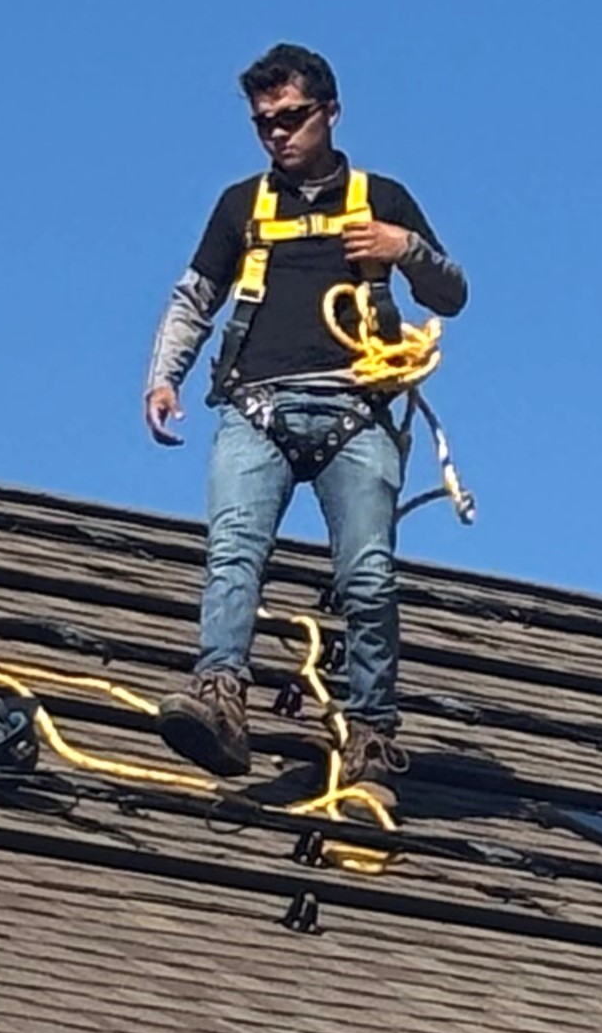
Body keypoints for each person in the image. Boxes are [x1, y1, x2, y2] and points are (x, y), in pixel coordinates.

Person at [141, 43, 469, 782]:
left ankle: (373, 730)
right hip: (257, 406)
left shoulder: (379, 197)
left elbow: (451, 293)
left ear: (330, 112)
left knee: (369, 574)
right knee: (234, 551)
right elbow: (194, 299)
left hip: (358, 407)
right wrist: (165, 378)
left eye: (292, 117)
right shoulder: (241, 206)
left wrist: (403, 247)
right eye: (265, 123)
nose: (278, 133)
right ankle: (220, 696)